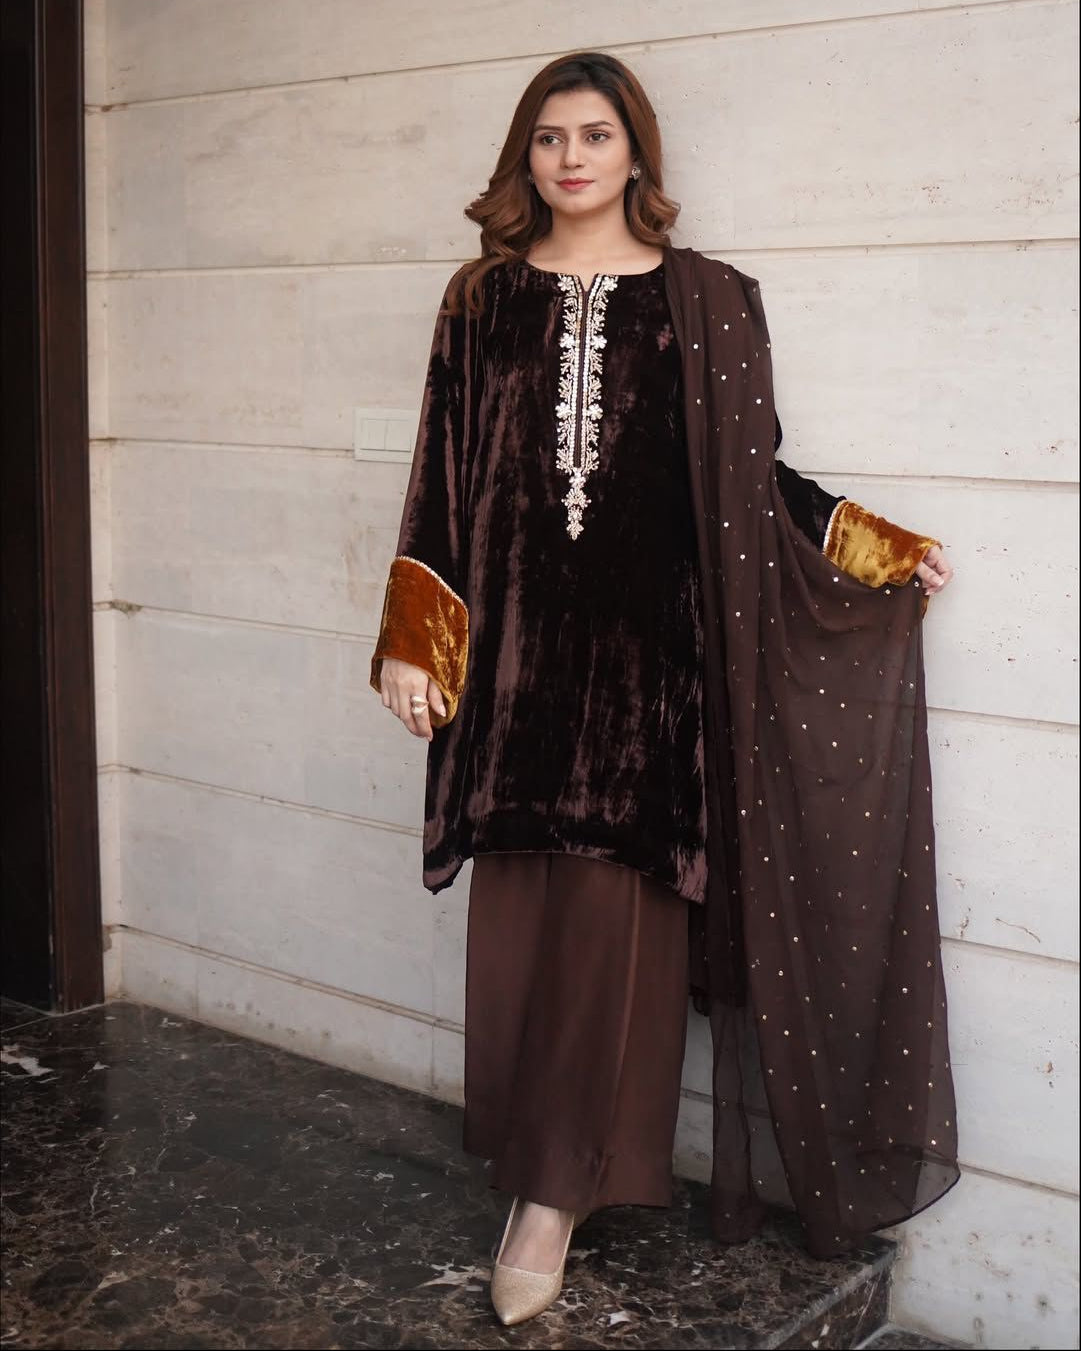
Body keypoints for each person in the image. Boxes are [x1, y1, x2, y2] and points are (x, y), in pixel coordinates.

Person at [370, 50, 958, 1328]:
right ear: (522, 159)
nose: (570, 158)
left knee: (613, 930)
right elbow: (440, 481)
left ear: (637, 153)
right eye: (546, 138)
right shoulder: (480, 303)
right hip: (520, 676)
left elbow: (753, 487)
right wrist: (417, 637)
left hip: (654, 684)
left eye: (594, 135)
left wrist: (867, 545)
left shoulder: (709, 303)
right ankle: (538, 1169)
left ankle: (553, 1195)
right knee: (524, 922)